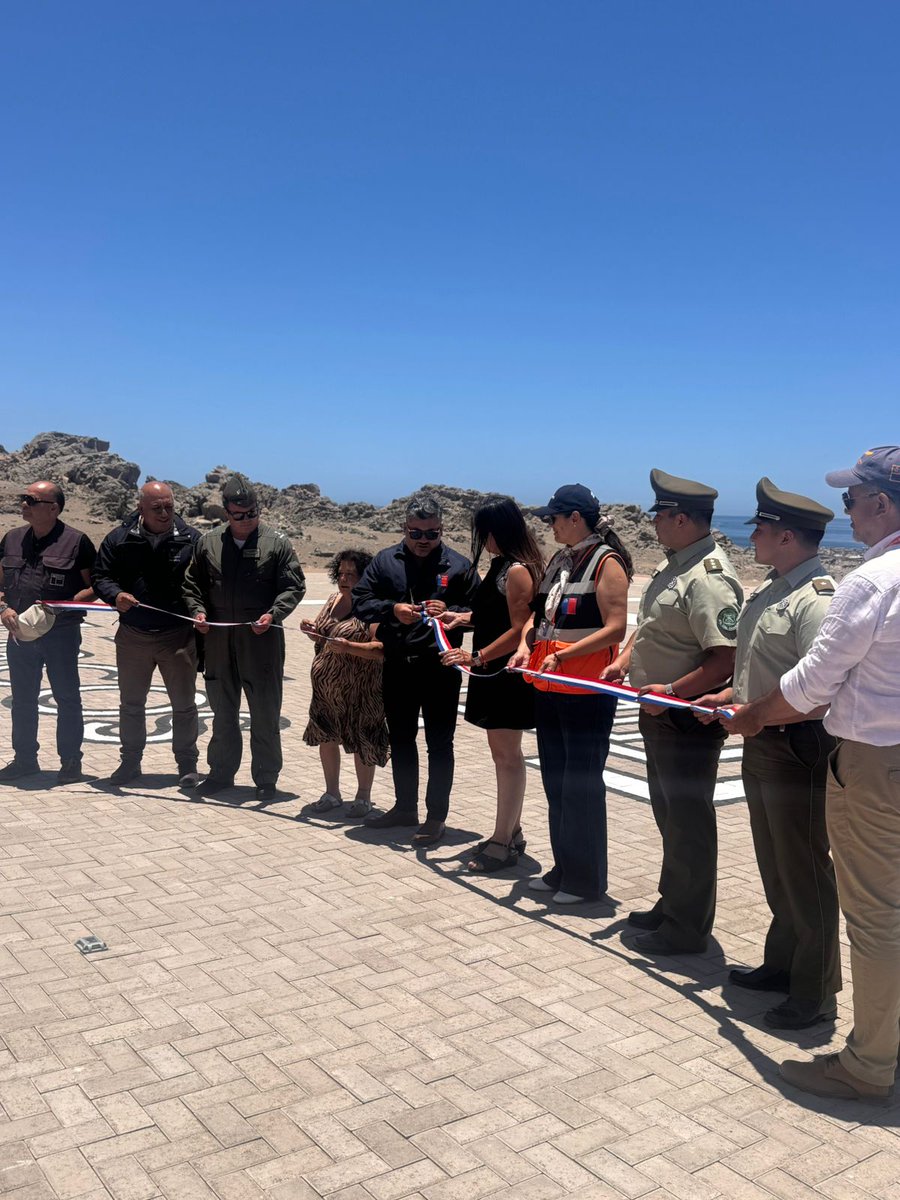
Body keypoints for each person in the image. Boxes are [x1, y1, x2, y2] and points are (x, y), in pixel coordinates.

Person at [729, 446, 900, 1103]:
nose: (847, 512)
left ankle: (867, 1065)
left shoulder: (871, 579)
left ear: (882, 502)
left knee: (877, 920)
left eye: (853, 499)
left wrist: (752, 716)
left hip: (874, 762)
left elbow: (809, 687)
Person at [694, 478, 841, 1030]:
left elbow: (820, 692)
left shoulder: (816, 599)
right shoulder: (775, 588)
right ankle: (783, 964)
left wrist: (753, 713)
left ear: (784, 535)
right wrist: (726, 697)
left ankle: (815, 991)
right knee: (778, 867)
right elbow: (763, 671)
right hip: (763, 743)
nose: (751, 535)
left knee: (805, 872)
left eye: (759, 528)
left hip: (795, 749)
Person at [601, 469, 743, 954]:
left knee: (688, 823)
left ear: (682, 518)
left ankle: (688, 928)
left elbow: (724, 657)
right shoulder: (677, 565)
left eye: (660, 515)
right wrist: (624, 661)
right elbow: (656, 628)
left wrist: (670, 693)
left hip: (684, 717)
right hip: (661, 710)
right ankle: (673, 903)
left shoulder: (708, 578)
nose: (655, 522)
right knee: (670, 817)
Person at [509, 484, 632, 903]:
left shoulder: (606, 562)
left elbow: (616, 627)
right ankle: (565, 868)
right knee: (557, 783)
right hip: (549, 686)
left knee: (581, 785)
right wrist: (526, 645)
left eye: (554, 519)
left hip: (585, 690)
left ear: (575, 518)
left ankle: (586, 881)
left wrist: (565, 656)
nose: (550, 526)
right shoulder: (561, 560)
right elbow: (538, 618)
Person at [352, 494, 478, 846]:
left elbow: (481, 612)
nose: (423, 540)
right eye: (416, 533)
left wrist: (451, 610)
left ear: (442, 530)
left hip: (440, 669)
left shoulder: (460, 566)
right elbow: (361, 601)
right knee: (402, 739)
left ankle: (436, 816)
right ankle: (405, 807)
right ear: (404, 529)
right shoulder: (384, 561)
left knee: (440, 744)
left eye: (431, 533)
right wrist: (393, 609)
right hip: (398, 666)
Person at [182, 473, 306, 802]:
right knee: (223, 711)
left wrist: (274, 614)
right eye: (240, 514)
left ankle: (266, 778)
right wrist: (198, 612)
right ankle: (221, 773)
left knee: (265, 713)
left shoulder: (276, 543)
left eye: (253, 512)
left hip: (261, 641)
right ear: (226, 513)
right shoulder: (207, 543)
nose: (248, 519)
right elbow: (191, 584)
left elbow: (294, 586)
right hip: (219, 642)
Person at [439, 498, 543, 872]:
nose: (482, 541)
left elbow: (518, 628)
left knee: (507, 758)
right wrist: (462, 617)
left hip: (503, 675)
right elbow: (494, 615)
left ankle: (502, 842)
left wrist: (476, 657)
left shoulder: (516, 570)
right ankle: (510, 831)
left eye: (484, 534)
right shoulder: (504, 566)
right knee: (504, 756)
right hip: (494, 672)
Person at [92, 482, 202, 787]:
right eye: (157, 508)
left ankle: (187, 765)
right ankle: (129, 763)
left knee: (184, 705)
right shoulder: (119, 538)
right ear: (141, 508)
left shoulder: (192, 539)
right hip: (133, 637)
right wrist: (115, 595)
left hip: (177, 637)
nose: (165, 513)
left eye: (169, 506)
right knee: (131, 705)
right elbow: (101, 576)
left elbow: (205, 582)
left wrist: (200, 613)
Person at [0, 481, 96, 785]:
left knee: (67, 698)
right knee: (23, 699)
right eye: (24, 498)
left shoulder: (77, 542)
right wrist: (2, 608)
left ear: (53, 508)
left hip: (61, 635)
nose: (23, 503)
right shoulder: (12, 539)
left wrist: (64, 605)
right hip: (20, 635)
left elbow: (95, 586)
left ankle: (70, 763)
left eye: (31, 499)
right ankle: (25, 760)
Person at [302, 549, 389, 818]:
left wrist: (350, 647)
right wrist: (312, 632)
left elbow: (381, 649)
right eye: (340, 573)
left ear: (365, 576)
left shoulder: (374, 605)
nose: (344, 578)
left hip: (362, 688)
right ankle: (332, 793)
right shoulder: (333, 599)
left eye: (351, 574)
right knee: (327, 736)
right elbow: (324, 637)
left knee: (363, 738)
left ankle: (363, 797)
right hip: (327, 689)